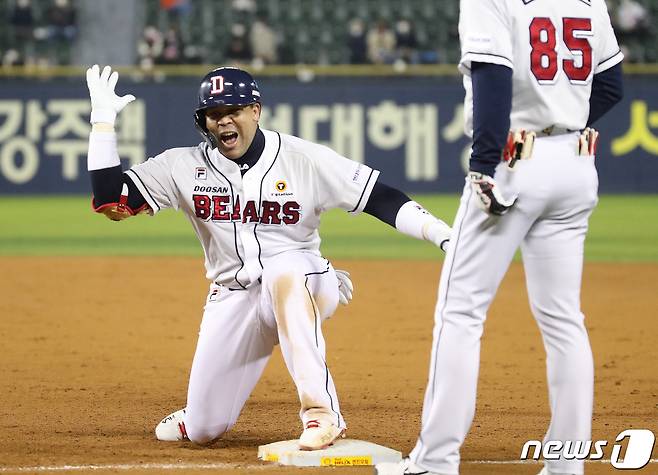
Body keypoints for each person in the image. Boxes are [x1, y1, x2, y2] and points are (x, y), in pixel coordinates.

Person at [85, 65, 452, 449]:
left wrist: (442, 234)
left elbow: (382, 197)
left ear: (256, 111)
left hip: (305, 278)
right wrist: (102, 124)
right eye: (214, 113)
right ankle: (197, 416)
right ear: (203, 122)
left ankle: (322, 416)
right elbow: (112, 202)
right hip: (234, 294)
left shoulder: (302, 158)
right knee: (203, 430)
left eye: (235, 109)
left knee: (285, 270)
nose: (224, 119)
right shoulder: (182, 166)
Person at [375, 0, 623, 474]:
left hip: (513, 162)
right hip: (577, 162)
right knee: (564, 319)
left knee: (461, 312)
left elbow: (492, 75)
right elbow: (611, 86)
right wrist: (563, 124)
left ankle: (435, 461)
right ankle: (567, 466)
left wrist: (484, 165)